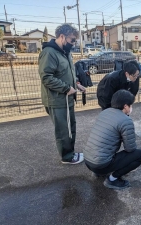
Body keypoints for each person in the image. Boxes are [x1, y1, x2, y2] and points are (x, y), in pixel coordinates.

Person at [38, 23, 86, 164]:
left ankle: (70, 152)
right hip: (57, 100)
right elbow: (46, 77)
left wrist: (76, 83)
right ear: (62, 37)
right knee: (63, 131)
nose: (73, 43)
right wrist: (66, 88)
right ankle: (67, 157)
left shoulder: (65, 52)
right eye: (72, 40)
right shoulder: (49, 53)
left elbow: (68, 73)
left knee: (71, 127)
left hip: (67, 98)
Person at [84, 89, 141, 189]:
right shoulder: (126, 120)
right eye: (131, 105)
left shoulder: (105, 112)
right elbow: (130, 149)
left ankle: (97, 172)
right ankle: (112, 179)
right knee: (139, 155)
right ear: (125, 106)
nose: (131, 107)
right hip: (100, 164)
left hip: (88, 161)